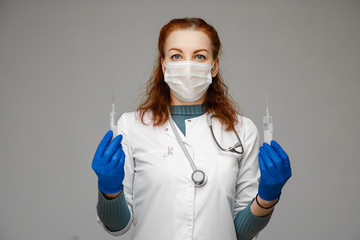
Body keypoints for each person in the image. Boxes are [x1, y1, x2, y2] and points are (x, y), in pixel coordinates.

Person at [92, 17, 292, 240]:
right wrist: (109, 190)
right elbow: (118, 226)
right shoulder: (132, 126)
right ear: (164, 64)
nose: (188, 65)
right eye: (176, 56)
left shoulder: (242, 130)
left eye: (199, 56)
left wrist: (268, 197)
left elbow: (240, 233)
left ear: (214, 66)